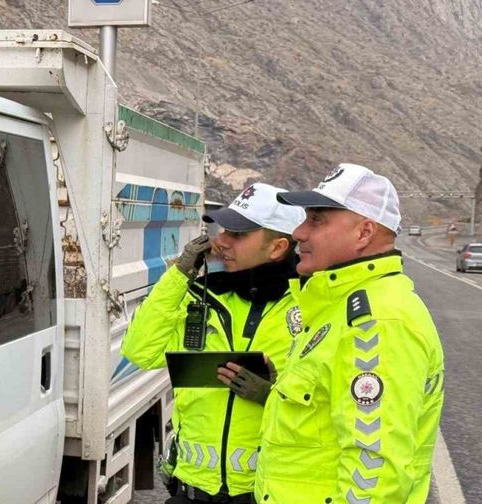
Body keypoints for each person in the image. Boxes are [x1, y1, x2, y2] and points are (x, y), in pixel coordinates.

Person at [252, 163, 444, 503]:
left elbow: (373, 476)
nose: (299, 233)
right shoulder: (335, 308)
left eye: (316, 220)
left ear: (364, 233)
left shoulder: (378, 322)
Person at [122, 183, 305, 503]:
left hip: (266, 493)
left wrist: (271, 397)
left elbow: (328, 407)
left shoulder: (308, 307)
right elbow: (139, 351)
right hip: (191, 492)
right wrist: (179, 275)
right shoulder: (197, 297)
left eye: (238, 234)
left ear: (277, 248)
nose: (221, 241)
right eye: (223, 230)